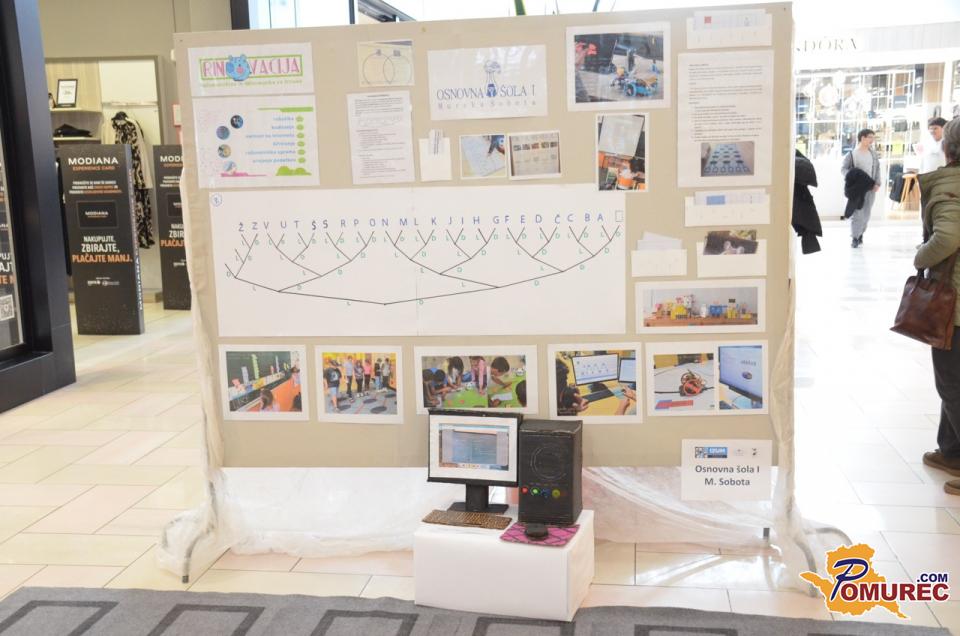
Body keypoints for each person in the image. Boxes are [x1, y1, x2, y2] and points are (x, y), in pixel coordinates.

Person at [918, 118, 960, 495]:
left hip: (955, 306)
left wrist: (920, 257)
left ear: (948, 149)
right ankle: (951, 451)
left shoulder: (951, 185)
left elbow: (946, 237)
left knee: (952, 383)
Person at [841, 128, 881, 248]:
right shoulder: (852, 155)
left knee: (866, 214)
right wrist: (851, 176)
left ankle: (860, 234)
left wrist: (878, 183)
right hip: (857, 190)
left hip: (870, 188)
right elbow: (843, 169)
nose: (872, 140)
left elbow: (877, 169)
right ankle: (855, 237)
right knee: (857, 213)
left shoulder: (873, 154)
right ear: (862, 138)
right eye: (870, 137)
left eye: (873, 138)